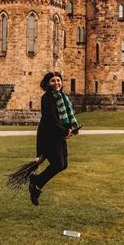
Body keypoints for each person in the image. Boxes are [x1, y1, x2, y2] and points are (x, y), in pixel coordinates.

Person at [29, 71, 80, 206]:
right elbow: (52, 120)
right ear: (47, 83)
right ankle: (35, 183)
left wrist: (71, 130)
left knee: (63, 165)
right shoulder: (47, 98)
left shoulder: (63, 97)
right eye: (53, 81)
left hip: (58, 134)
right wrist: (65, 132)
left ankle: (37, 183)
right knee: (58, 164)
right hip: (49, 135)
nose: (56, 83)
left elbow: (65, 117)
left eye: (58, 80)